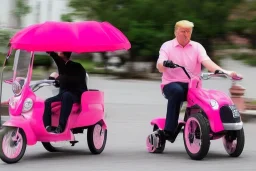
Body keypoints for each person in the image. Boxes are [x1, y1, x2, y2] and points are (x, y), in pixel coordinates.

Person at [156, 20, 242, 141]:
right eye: (183, 31)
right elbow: (159, 65)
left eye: (189, 32)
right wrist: (165, 63)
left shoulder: (197, 47)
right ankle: (169, 130)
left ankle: (207, 125)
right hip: (171, 84)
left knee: (209, 99)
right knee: (177, 91)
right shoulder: (167, 46)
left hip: (192, 85)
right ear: (176, 32)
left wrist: (225, 72)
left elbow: (207, 62)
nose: (186, 34)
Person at [43, 52, 88, 133]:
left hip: (76, 94)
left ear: (63, 55)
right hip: (64, 93)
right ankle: (47, 126)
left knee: (66, 96)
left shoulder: (77, 66)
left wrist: (52, 53)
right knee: (47, 101)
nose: (58, 53)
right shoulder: (63, 67)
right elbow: (61, 71)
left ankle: (61, 126)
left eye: (59, 52)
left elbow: (73, 79)